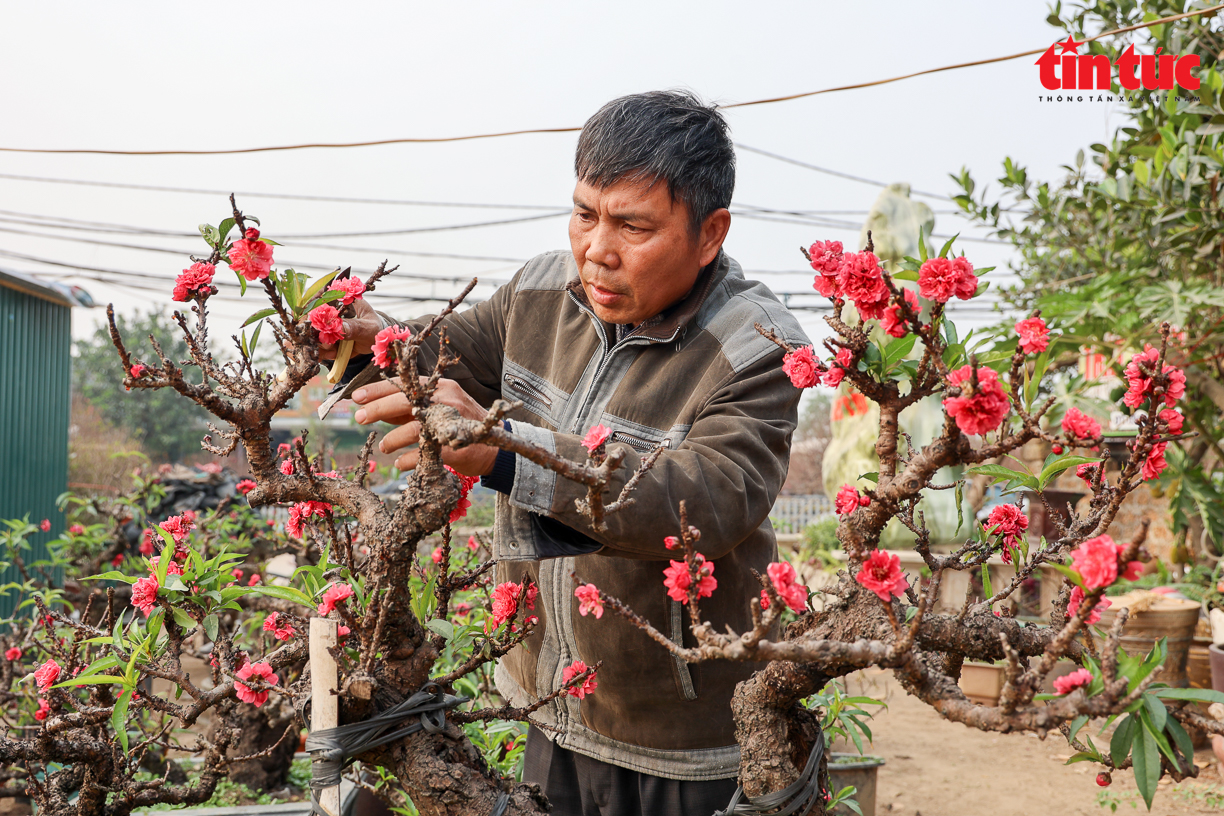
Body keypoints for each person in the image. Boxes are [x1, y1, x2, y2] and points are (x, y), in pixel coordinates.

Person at [330, 90, 809, 816]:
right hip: (548, 705)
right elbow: (446, 356)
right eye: (585, 213)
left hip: (679, 739)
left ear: (710, 234)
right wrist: (366, 341)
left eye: (632, 225)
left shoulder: (757, 346)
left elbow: (709, 495)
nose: (596, 249)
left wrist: (504, 450)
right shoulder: (541, 292)